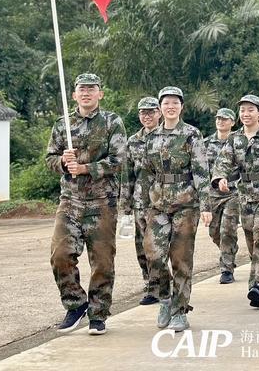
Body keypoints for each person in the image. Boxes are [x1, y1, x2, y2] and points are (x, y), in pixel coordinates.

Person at [46, 73, 127, 336]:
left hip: (102, 202)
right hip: (70, 201)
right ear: (74, 95)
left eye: (92, 89)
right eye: (82, 89)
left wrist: (85, 168)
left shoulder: (112, 122)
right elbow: (49, 159)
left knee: (102, 262)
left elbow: (118, 160)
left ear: (100, 94)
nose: (86, 93)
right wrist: (62, 161)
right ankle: (76, 304)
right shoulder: (63, 125)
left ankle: (98, 314)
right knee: (60, 255)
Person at [141, 86, 212, 333]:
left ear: (182, 107)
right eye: (166, 103)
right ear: (160, 108)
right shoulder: (151, 137)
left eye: (175, 103)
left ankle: (180, 310)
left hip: (185, 204)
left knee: (180, 258)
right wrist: (138, 206)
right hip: (157, 204)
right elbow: (145, 174)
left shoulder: (191, 135)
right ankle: (165, 299)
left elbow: (201, 172)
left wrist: (206, 205)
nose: (170, 107)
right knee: (153, 255)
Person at [212, 95, 259, 309]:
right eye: (242, 110)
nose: (245, 114)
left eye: (250, 109)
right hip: (245, 196)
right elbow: (223, 161)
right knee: (252, 240)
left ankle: (257, 285)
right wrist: (221, 178)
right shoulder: (235, 138)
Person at [119, 96, 161, 306]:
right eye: (143, 113)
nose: (147, 116)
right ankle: (149, 282)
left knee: (157, 246)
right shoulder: (133, 141)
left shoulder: (166, 137)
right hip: (139, 202)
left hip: (161, 202)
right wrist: (125, 206)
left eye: (151, 112)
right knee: (141, 247)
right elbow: (127, 175)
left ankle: (158, 286)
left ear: (159, 113)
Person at [204, 108, 240, 284]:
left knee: (227, 230)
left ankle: (226, 269)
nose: (220, 121)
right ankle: (230, 249)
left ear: (232, 122)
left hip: (234, 191)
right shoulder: (206, 143)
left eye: (225, 119)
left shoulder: (238, 142)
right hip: (212, 194)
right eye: (218, 118)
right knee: (215, 232)